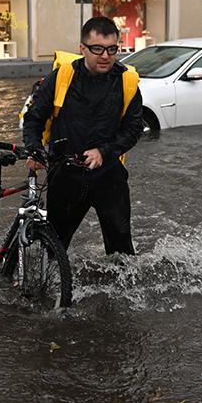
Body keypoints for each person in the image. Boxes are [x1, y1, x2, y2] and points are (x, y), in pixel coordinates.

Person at [21, 16, 144, 255]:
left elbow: (133, 129)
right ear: (82, 48)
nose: (105, 56)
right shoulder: (62, 77)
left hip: (108, 175)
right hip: (65, 174)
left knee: (121, 248)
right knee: (54, 245)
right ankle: (49, 286)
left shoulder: (127, 82)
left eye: (111, 49)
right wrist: (34, 148)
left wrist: (104, 152)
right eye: (97, 49)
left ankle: (119, 289)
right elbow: (34, 117)